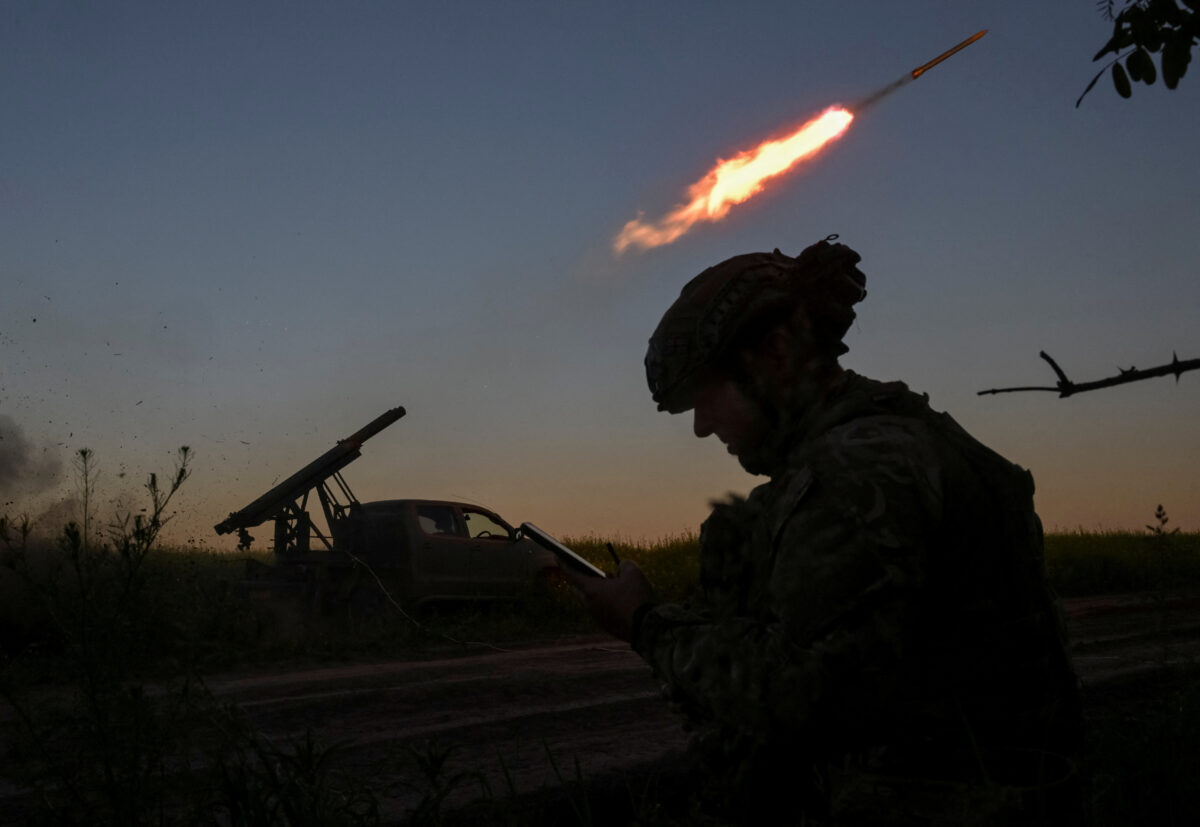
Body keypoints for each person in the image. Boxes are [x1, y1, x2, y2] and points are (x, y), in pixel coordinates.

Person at [574, 236, 1083, 825]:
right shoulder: (900, 437)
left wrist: (643, 622)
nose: (702, 426)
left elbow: (796, 699)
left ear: (775, 353)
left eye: (707, 397)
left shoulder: (857, 470)